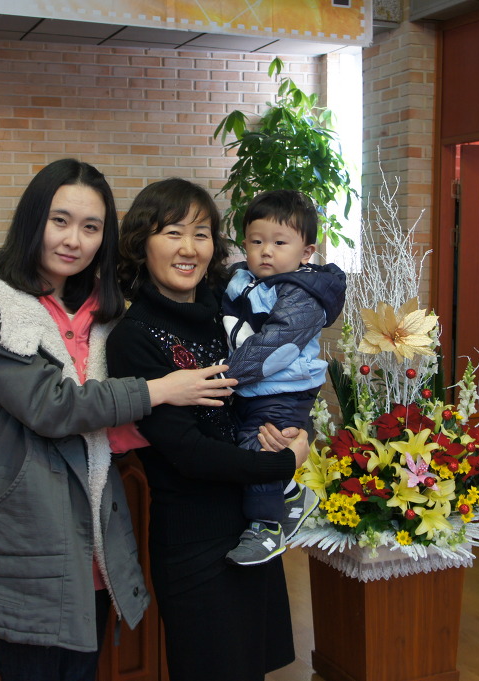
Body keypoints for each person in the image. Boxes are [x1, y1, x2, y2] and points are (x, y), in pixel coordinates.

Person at [0, 159, 236, 681]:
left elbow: (120, 432)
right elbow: (49, 405)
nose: (73, 240)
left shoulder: (102, 316)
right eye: (59, 221)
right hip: (24, 533)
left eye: (91, 227)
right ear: (32, 220)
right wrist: (159, 389)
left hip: (92, 539)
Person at [106, 178, 311, 681]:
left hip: (254, 527)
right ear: (142, 243)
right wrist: (281, 464)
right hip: (195, 539)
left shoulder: (229, 307)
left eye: (201, 234)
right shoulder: (133, 338)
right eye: (172, 232)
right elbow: (188, 452)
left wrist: (293, 433)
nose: (189, 248)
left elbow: (284, 379)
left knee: (252, 669)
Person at [221, 189, 347, 566]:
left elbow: (274, 348)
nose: (266, 251)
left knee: (262, 448)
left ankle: (266, 527)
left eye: (279, 243)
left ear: (306, 253)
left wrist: (222, 376)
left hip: (283, 392)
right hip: (251, 389)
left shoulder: (303, 293)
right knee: (244, 442)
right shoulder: (244, 280)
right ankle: (292, 493)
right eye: (256, 241)